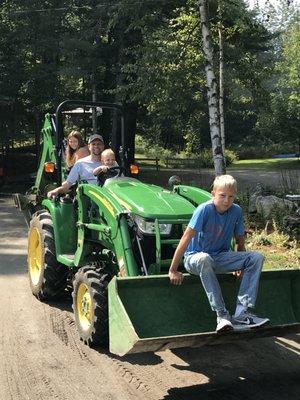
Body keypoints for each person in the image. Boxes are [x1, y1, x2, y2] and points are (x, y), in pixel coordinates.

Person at [168, 174, 269, 333]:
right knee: (204, 258)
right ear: (213, 193)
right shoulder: (204, 210)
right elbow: (185, 239)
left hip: (220, 257)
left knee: (256, 257)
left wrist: (240, 265)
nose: (227, 201)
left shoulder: (236, 211)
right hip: (195, 258)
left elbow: (240, 241)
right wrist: (173, 269)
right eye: (222, 195)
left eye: (231, 196)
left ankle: (242, 313)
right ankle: (221, 315)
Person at [47, 134, 105, 198]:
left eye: (99, 144)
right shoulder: (80, 164)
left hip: (107, 196)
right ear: (89, 147)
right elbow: (68, 183)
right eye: (93, 144)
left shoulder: (110, 163)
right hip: (88, 199)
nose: (96, 146)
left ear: (103, 146)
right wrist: (56, 190)